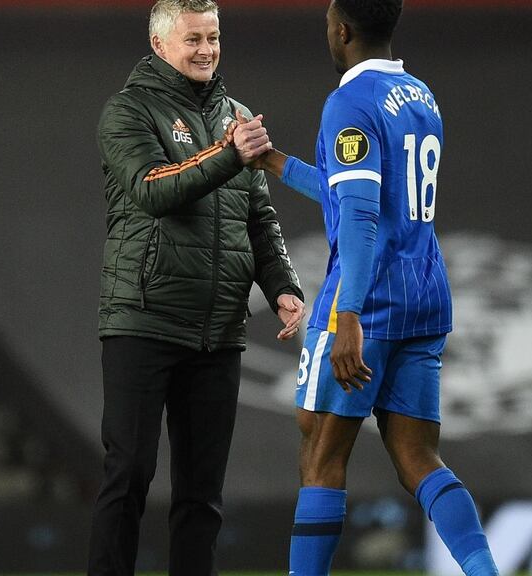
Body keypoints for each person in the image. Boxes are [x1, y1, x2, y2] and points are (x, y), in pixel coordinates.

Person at [250, 1, 500, 575]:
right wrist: (276, 162)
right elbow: (359, 194)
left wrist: (348, 316)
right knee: (417, 456)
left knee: (319, 453)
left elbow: (361, 219)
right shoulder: (420, 95)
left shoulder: (349, 103)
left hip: (371, 297)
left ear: (342, 31)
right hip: (426, 294)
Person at [87, 1, 306, 575]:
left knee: (202, 494)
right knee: (129, 473)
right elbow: (155, 190)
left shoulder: (238, 114)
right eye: (194, 39)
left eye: (213, 37)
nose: (207, 49)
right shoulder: (127, 112)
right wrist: (230, 152)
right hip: (145, 318)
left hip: (219, 329)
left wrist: (282, 284)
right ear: (161, 45)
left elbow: (259, 218)